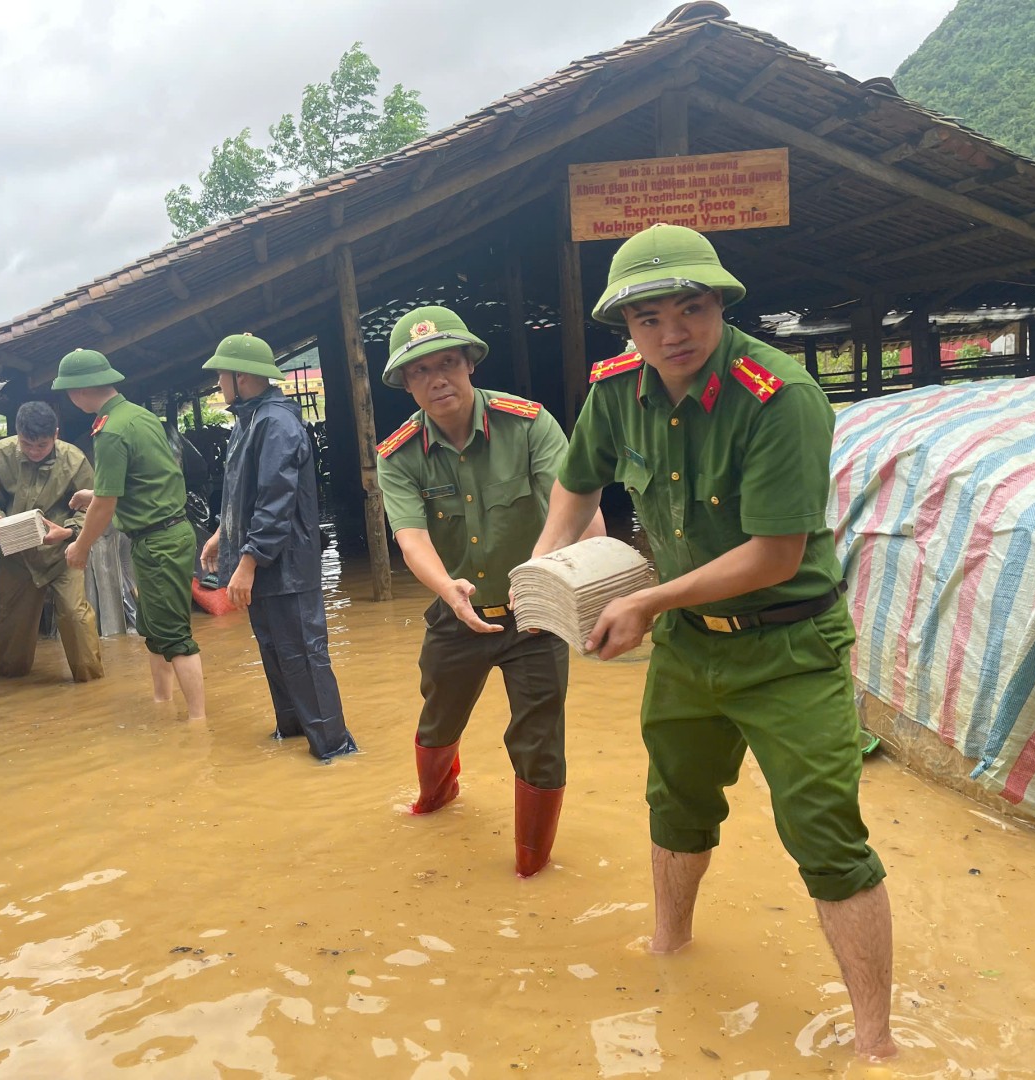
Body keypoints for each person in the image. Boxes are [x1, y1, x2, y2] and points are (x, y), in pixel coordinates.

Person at [532, 223, 895, 1059]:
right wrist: (544, 562)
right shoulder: (616, 389)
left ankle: (877, 1043)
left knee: (826, 833)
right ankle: (670, 951)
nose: (673, 333)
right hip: (690, 647)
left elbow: (775, 554)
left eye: (691, 308)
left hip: (789, 649)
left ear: (722, 305)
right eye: (649, 318)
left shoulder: (782, 396)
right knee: (676, 801)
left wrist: (650, 600)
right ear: (625, 328)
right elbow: (577, 478)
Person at [375, 305, 603, 877]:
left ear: (470, 363)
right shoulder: (398, 455)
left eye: (448, 362)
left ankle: (532, 861)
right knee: (438, 717)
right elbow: (410, 538)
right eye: (420, 371)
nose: (437, 379)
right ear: (406, 383)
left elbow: (578, 510)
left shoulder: (528, 424)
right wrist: (448, 590)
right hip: (457, 612)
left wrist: (572, 582)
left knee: (540, 737)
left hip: (534, 612)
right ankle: (436, 796)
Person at [198, 334, 357, 761]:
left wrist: (248, 561)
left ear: (242, 375)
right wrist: (222, 535)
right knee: (275, 651)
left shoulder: (276, 423)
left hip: (283, 564)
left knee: (304, 654)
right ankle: (292, 733)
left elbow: (275, 500)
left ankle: (334, 747)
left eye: (220, 375)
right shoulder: (249, 420)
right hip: (263, 563)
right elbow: (241, 492)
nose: (217, 383)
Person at [53, 349, 207, 720]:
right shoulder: (139, 416)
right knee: (151, 628)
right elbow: (146, 480)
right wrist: (95, 495)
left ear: (78, 391)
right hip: (164, 534)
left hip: (159, 542)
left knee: (174, 636)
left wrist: (80, 546)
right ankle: (162, 703)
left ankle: (198, 723)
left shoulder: (110, 431)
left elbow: (106, 506)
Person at [0, 401, 103, 682]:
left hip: (63, 552)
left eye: (41, 445)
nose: (33, 452)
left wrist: (68, 532)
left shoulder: (74, 460)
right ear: (17, 434)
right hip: (15, 555)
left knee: (75, 616)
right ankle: (11, 686)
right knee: (12, 625)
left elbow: (94, 508)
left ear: (55, 434)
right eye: (26, 444)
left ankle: (90, 679)